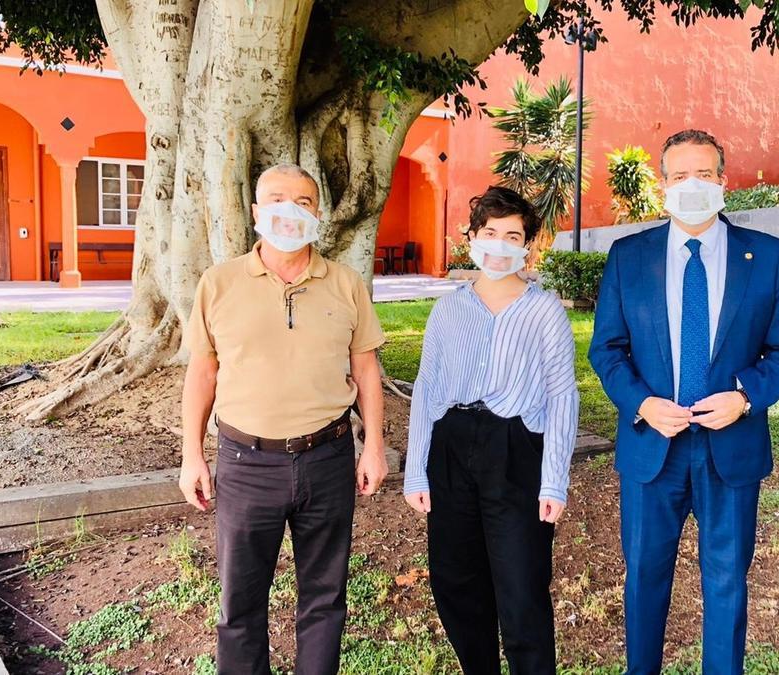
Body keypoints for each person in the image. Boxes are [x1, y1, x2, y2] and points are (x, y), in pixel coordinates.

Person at [589, 129, 779, 674]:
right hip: (651, 448)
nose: (692, 185)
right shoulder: (628, 256)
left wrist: (744, 397)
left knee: (728, 581)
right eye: (680, 175)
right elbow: (607, 350)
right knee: (643, 579)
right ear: (663, 184)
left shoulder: (769, 256)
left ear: (723, 181)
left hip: (729, 448)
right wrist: (640, 403)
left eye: (704, 173)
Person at [177, 163, 388, 675]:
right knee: (240, 602)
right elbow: (202, 374)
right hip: (245, 462)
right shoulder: (219, 283)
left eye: (302, 202)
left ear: (318, 215)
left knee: (325, 596)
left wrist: (375, 446)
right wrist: (191, 456)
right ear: (255, 212)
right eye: (275, 200)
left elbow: (365, 367)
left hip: (328, 457)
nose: (288, 212)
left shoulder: (345, 283)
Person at [403, 186, 579, 675]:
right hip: (451, 445)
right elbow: (427, 387)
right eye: (490, 233)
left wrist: (553, 480)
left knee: (521, 585)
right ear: (473, 237)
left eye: (513, 235)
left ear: (527, 245)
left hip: (516, 448)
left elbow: (563, 395)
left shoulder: (544, 310)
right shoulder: (448, 309)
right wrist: (416, 470)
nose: (500, 245)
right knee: (455, 579)